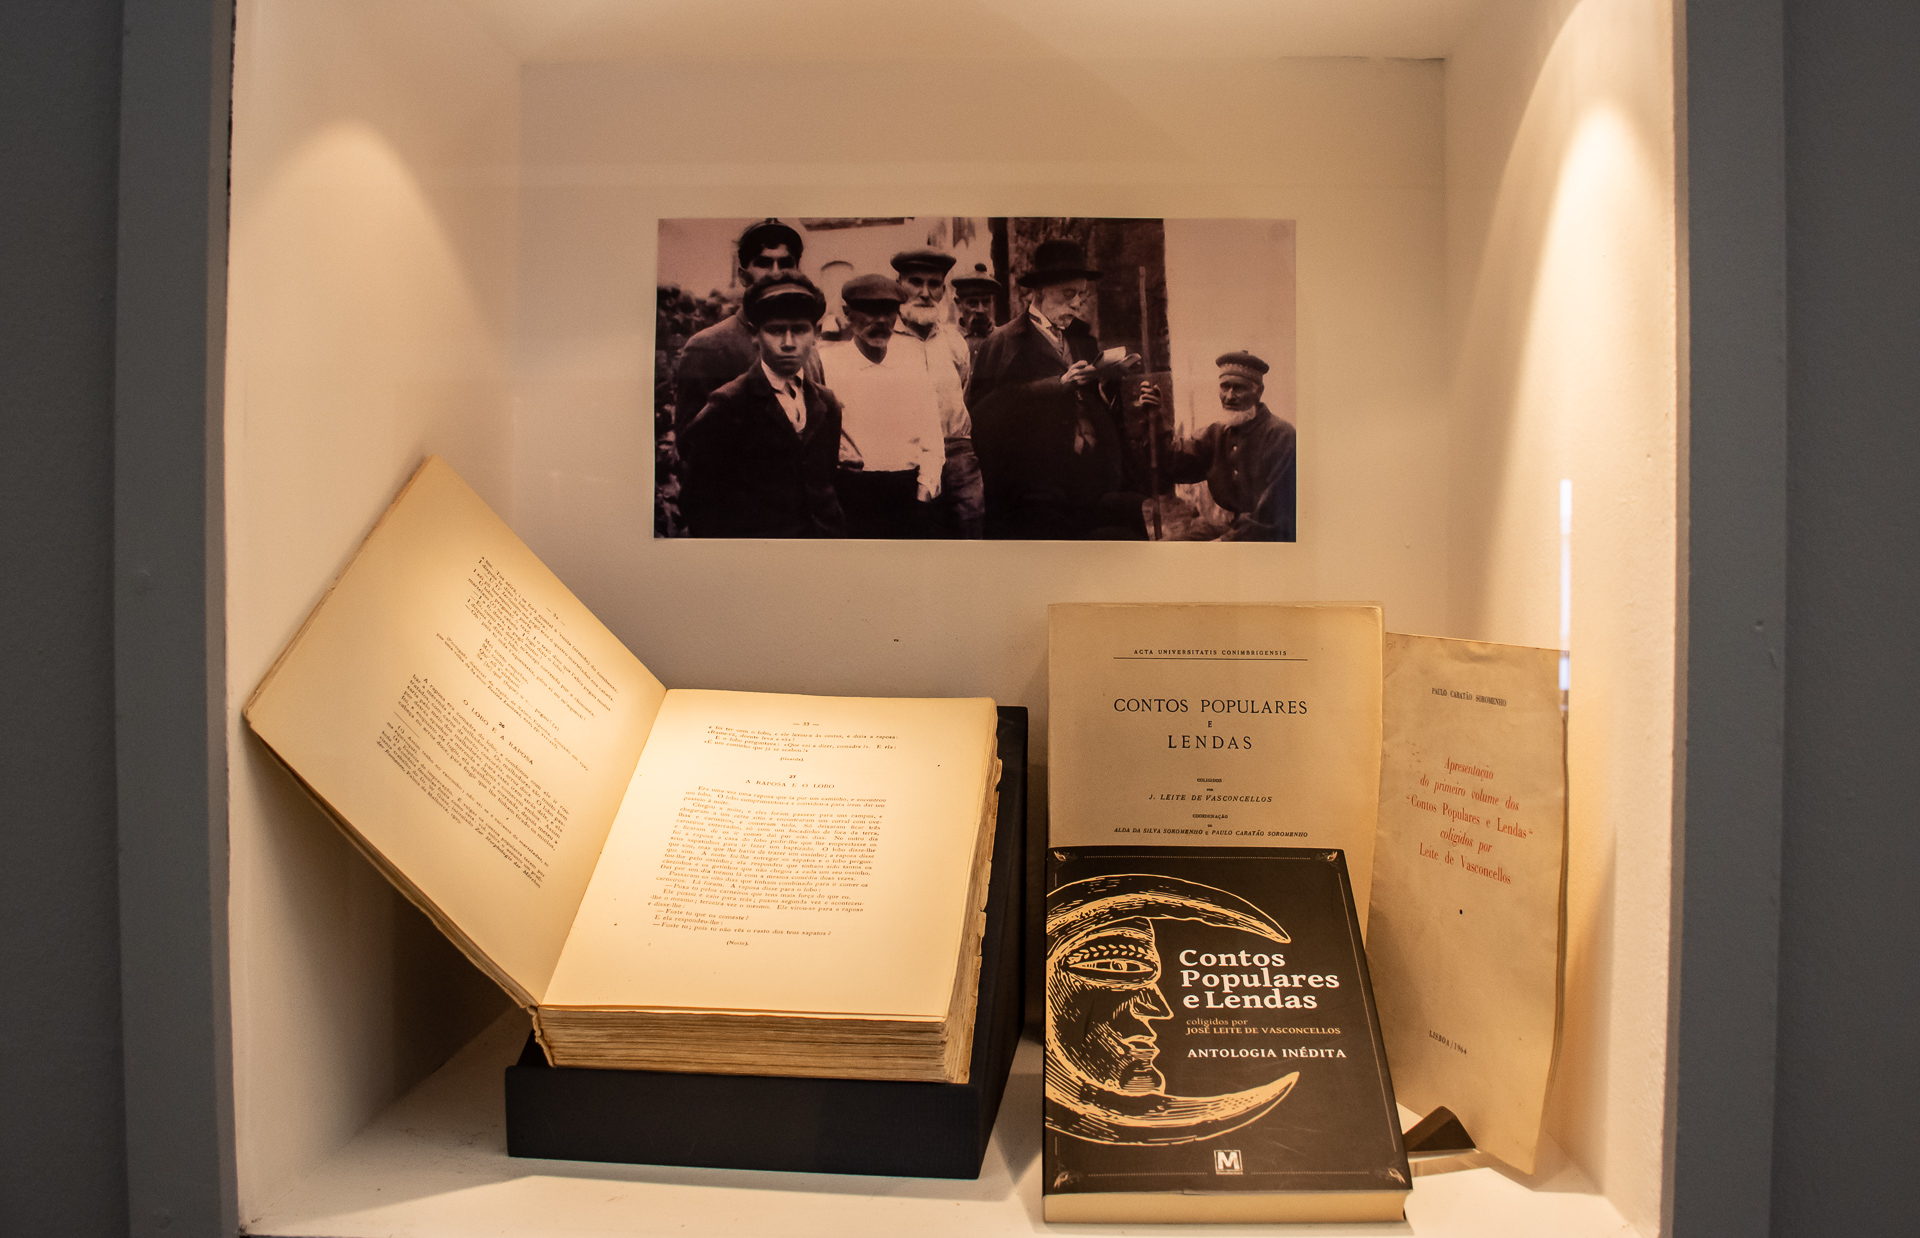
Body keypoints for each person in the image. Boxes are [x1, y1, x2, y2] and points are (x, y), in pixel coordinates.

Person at [966, 238, 1155, 539]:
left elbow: (1095, 406)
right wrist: (1056, 386)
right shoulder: (1004, 342)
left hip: (1092, 482)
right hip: (1035, 493)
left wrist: (1109, 383)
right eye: (1069, 294)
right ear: (1040, 290)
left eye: (1082, 295)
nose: (1077, 304)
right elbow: (982, 415)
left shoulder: (1082, 339)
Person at [678, 274, 844, 538]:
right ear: (755, 335)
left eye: (800, 330)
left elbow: (825, 481)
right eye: (776, 330)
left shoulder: (826, 403)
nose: (788, 343)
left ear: (816, 333)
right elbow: (699, 502)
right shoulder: (729, 404)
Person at [816, 274, 945, 538]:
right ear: (848, 313)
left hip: (906, 493)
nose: (882, 321)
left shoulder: (912, 363)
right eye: (871, 312)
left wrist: (924, 492)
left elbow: (932, 438)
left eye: (889, 312)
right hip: (852, 495)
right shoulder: (827, 364)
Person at [672, 219, 820, 433]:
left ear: (798, 272)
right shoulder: (707, 348)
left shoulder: (808, 349)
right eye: (764, 263)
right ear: (743, 276)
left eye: (786, 263)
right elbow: (691, 443)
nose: (776, 273)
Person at [890, 247, 985, 538]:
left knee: (970, 529)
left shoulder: (954, 342)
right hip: (908, 454)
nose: (925, 293)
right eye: (915, 282)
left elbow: (964, 388)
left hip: (958, 453)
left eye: (934, 284)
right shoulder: (886, 342)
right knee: (918, 533)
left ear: (943, 291)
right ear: (898, 285)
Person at [1162, 351, 1297, 541]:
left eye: (1239, 388)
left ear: (1258, 392)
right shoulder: (1216, 433)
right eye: (1225, 387)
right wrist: (1156, 422)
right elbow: (1176, 464)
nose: (1229, 396)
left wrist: (1223, 543)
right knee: (1167, 547)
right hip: (1224, 527)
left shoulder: (1281, 436)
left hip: (1264, 534)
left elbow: (1271, 516)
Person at [951, 261, 1001, 365]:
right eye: (972, 303)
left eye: (986, 302)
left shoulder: (1003, 339)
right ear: (958, 304)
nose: (980, 310)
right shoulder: (948, 341)